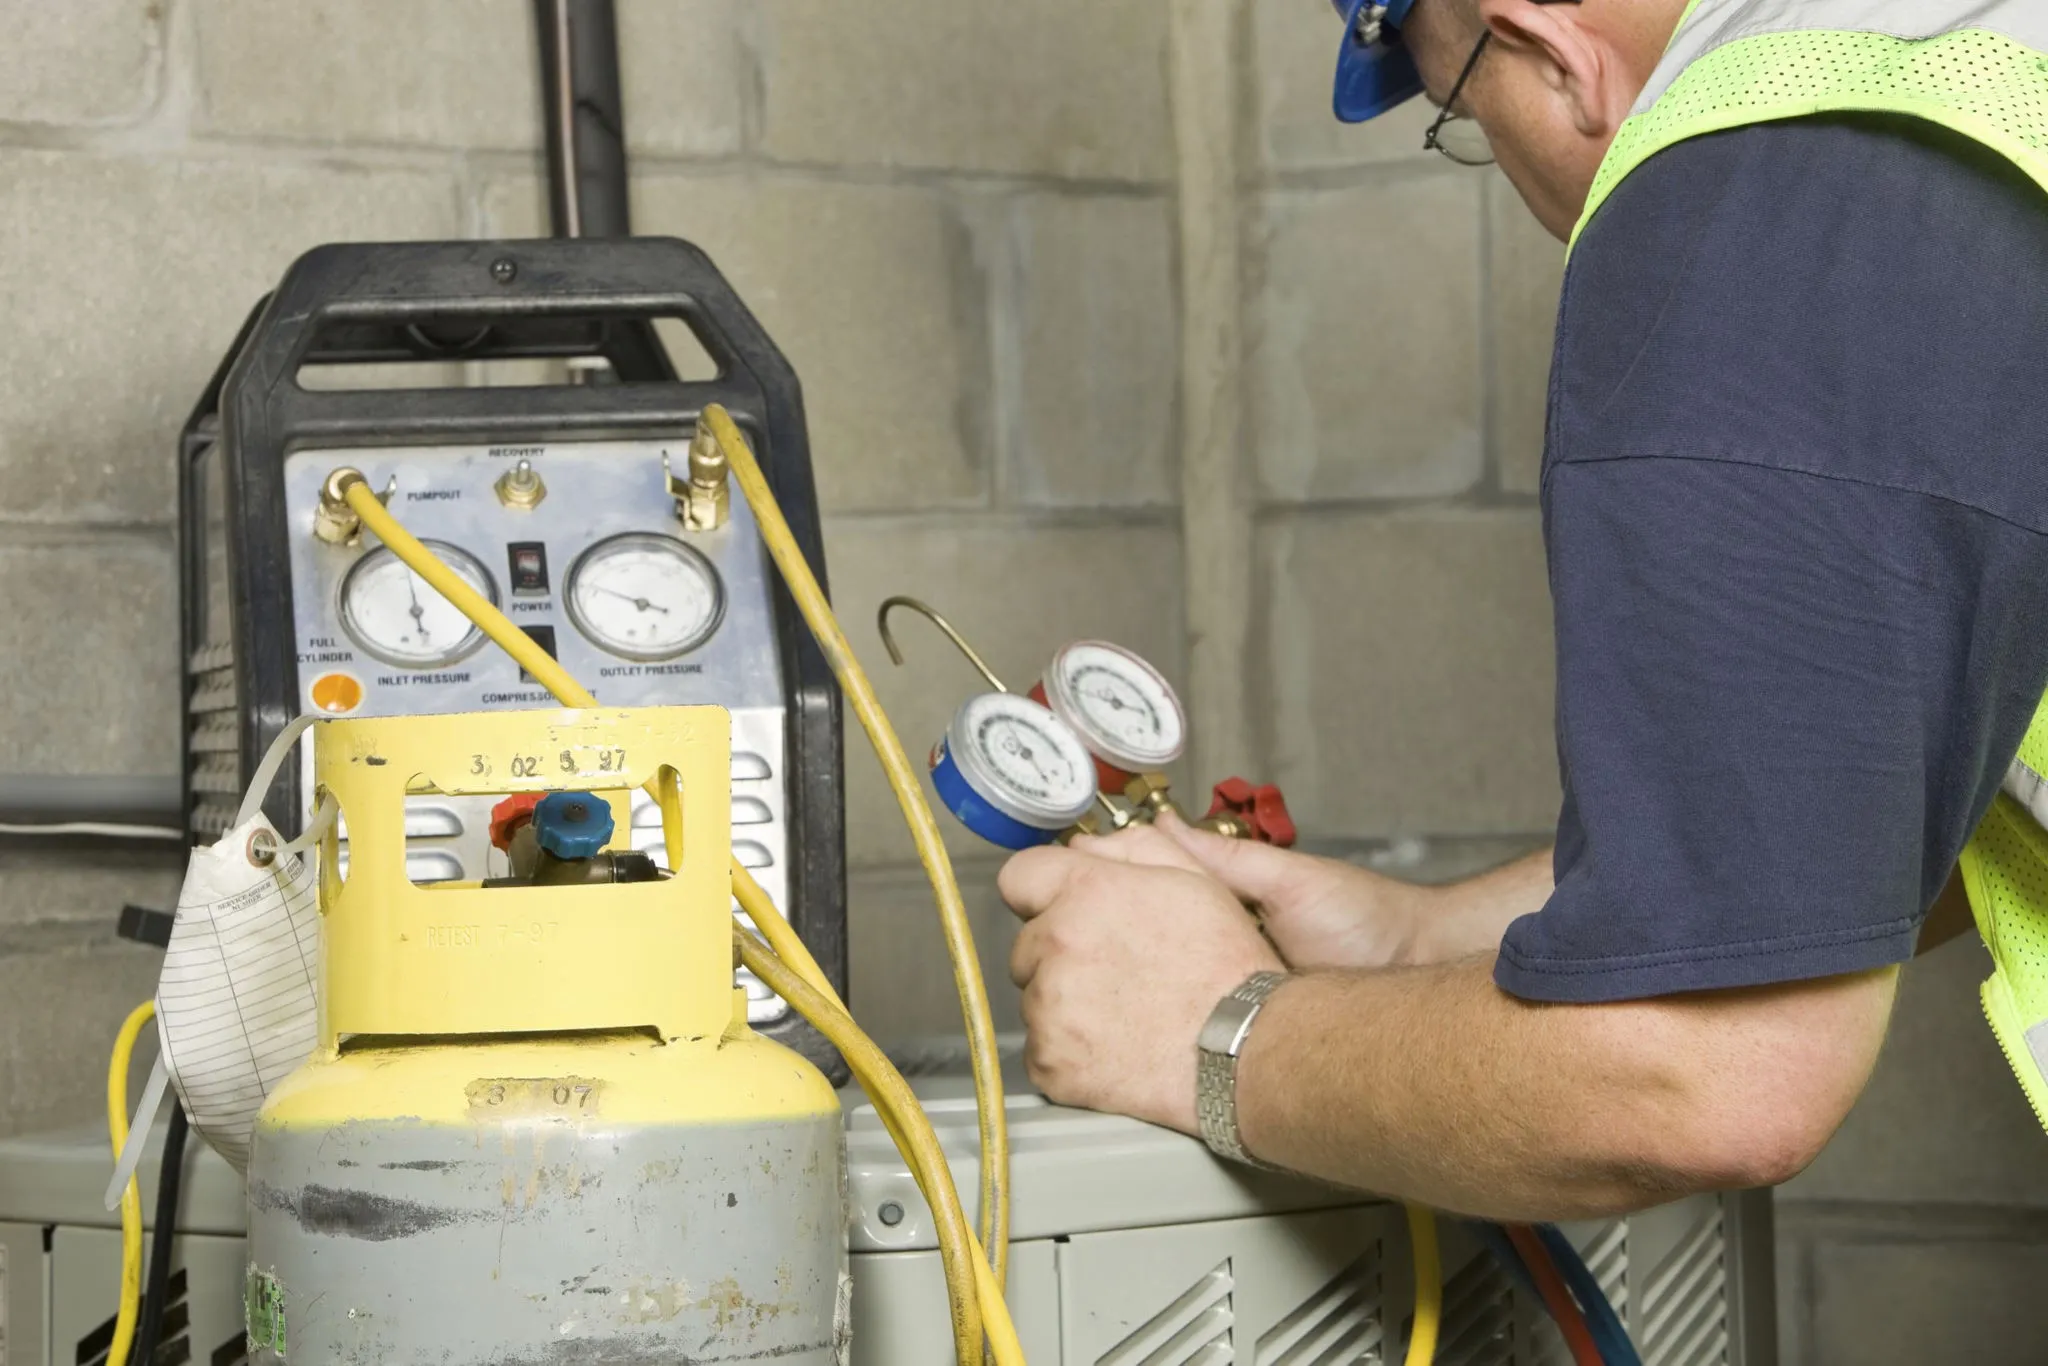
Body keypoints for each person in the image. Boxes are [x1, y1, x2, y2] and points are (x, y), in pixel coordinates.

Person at [999, 0, 2048, 1220]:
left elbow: (1699, 1074)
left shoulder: (1766, 196)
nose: (1504, 173)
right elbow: (1840, 811)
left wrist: (1207, 1029)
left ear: (1545, 42)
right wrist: (1417, 937)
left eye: (1460, 111)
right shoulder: (1977, 69)